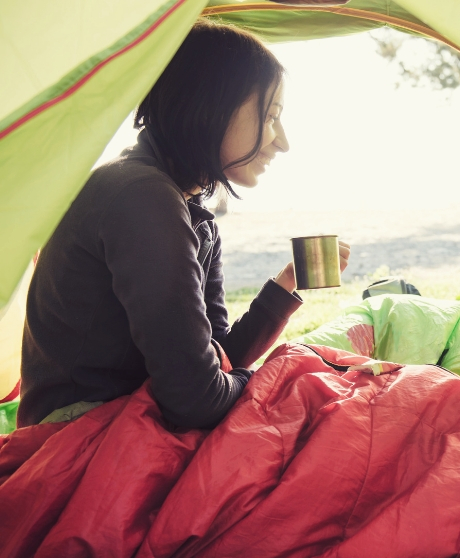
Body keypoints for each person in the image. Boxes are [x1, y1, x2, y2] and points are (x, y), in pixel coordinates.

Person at [18, 20, 349, 429]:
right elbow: (197, 399)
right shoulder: (141, 197)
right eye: (270, 116)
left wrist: (285, 287)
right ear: (211, 105)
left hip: (123, 414)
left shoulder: (186, 206)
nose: (282, 141)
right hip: (75, 428)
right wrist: (273, 377)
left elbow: (216, 356)